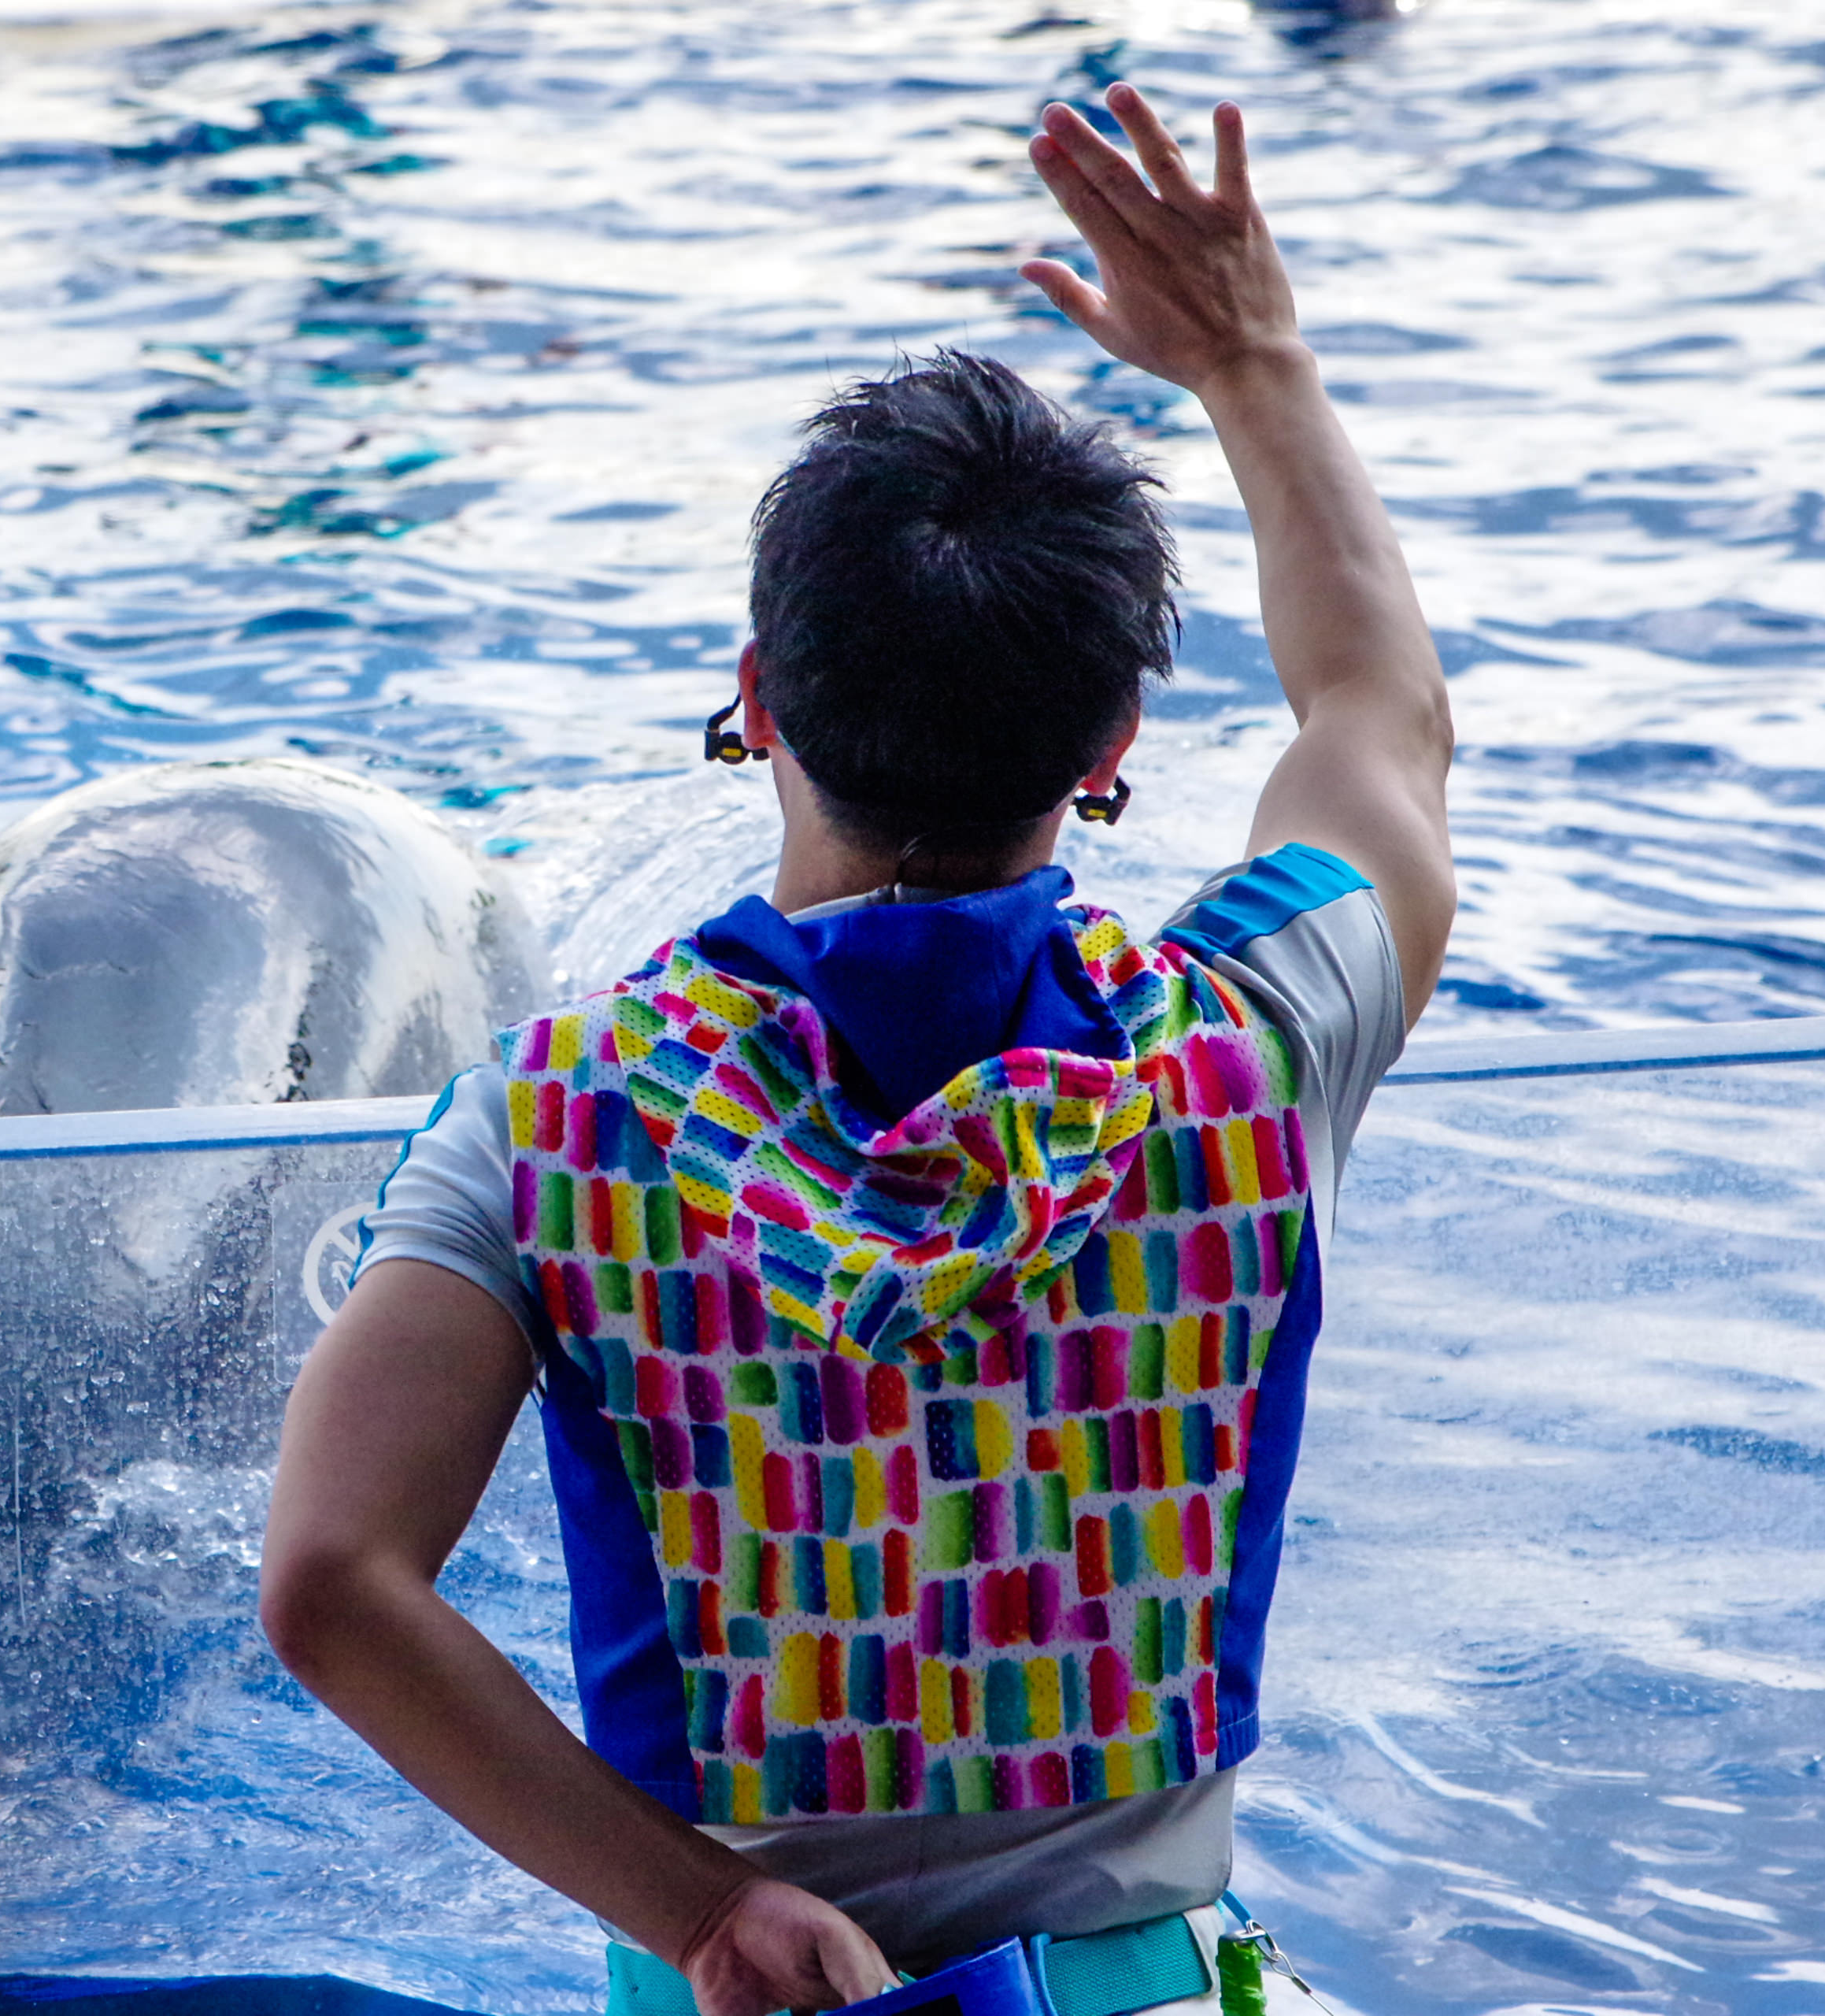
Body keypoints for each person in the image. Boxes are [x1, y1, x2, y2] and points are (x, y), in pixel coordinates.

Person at [258, 80, 1452, 2016]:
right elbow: (1376, 713)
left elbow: (332, 1578)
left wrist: (703, 1912)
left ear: (758, 696)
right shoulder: (1260, 1033)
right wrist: (1257, 366)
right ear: (1112, 749)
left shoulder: (555, 1126)